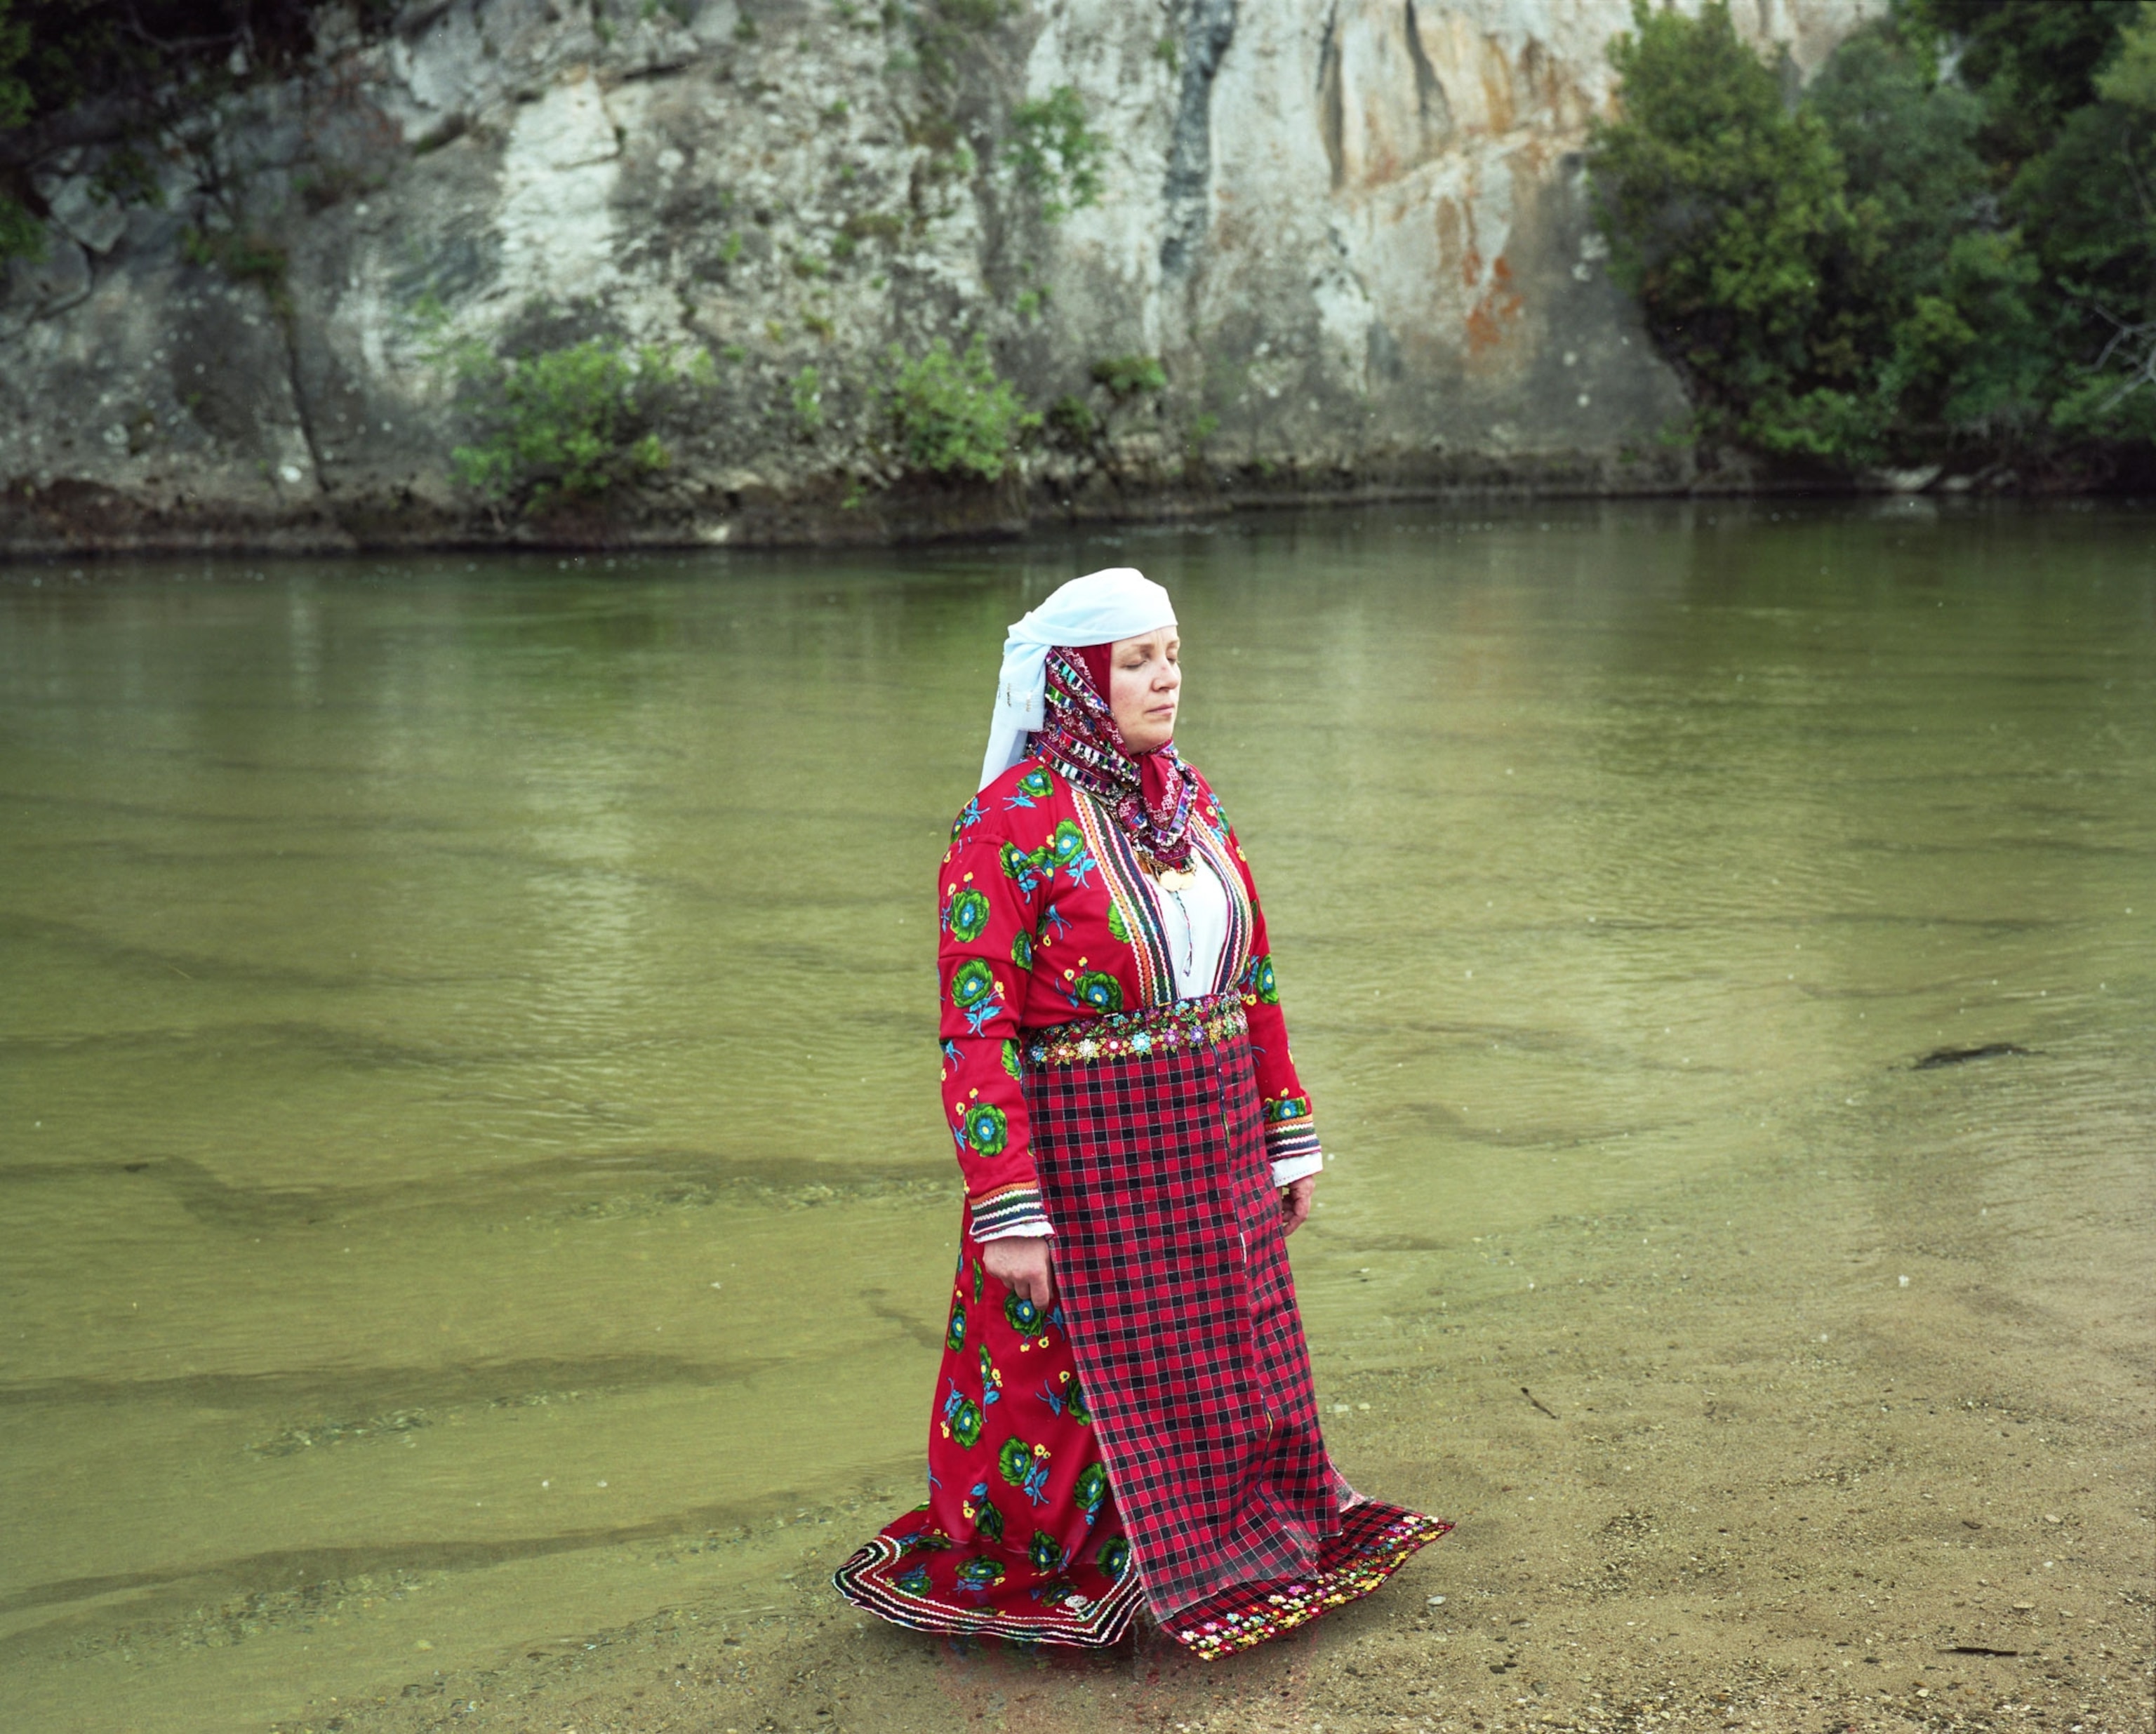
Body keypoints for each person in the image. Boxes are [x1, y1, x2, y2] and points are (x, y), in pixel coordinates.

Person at [834, 568, 1448, 1658]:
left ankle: (1226, 1535)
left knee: (1229, 1348)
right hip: (1087, 1157)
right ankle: (1091, 1566)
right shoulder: (1004, 828)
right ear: (1077, 679)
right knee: (1069, 1367)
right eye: (1138, 661)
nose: (1166, 679)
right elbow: (975, 1030)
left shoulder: (1192, 798)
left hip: (1209, 1145)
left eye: (1172, 655)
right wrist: (1008, 1206)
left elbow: (1251, 976)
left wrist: (1286, 1130)